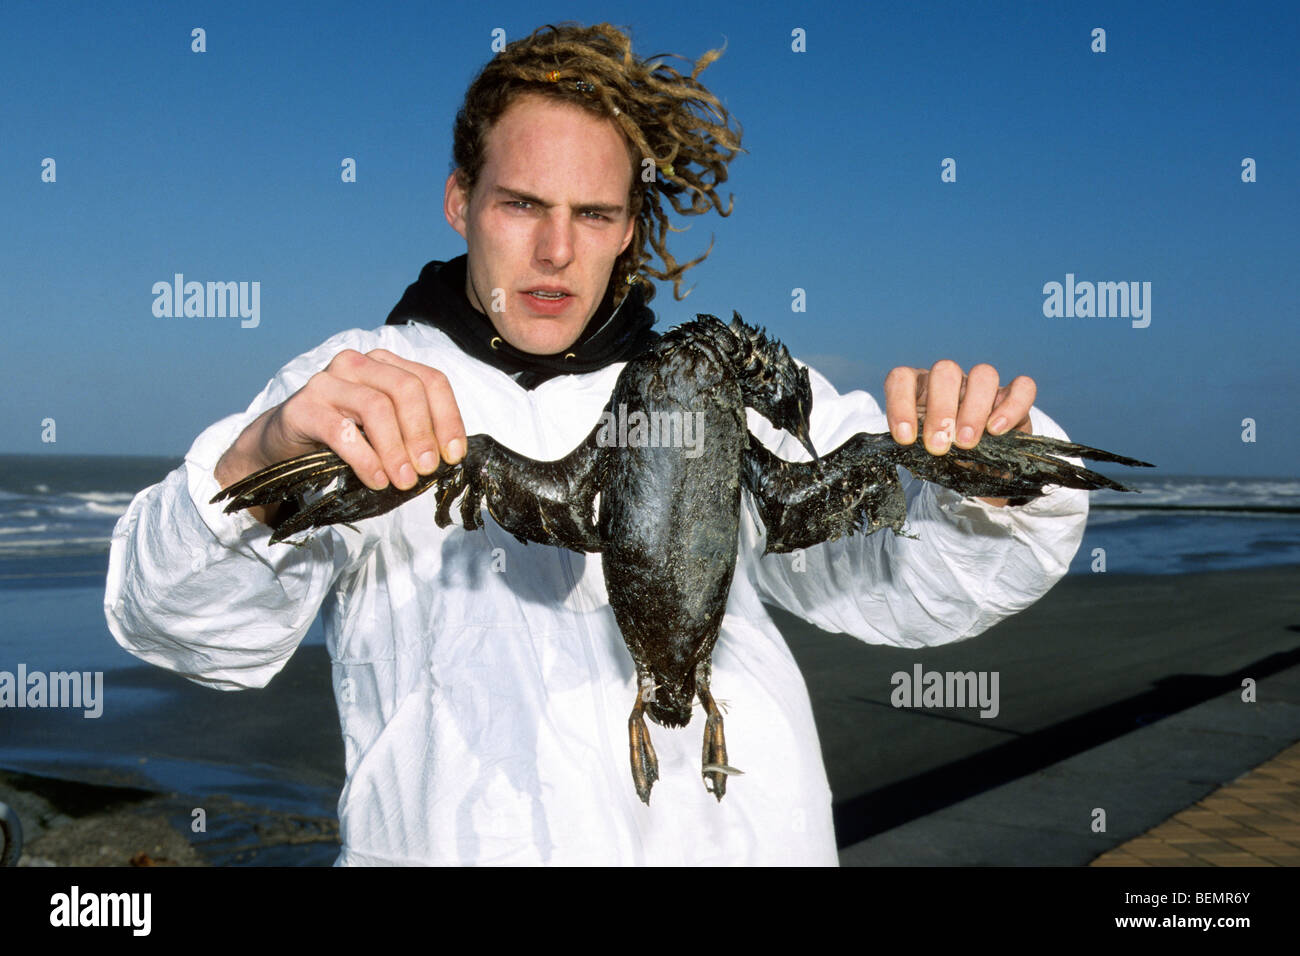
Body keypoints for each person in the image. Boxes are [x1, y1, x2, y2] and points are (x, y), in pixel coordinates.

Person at [105, 23, 1087, 865]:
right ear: (460, 202)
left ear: (628, 229)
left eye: (594, 214)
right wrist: (254, 469)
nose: (555, 251)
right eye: (521, 204)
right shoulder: (353, 385)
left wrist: (986, 473)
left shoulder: (714, 385)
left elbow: (908, 581)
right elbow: (185, 628)